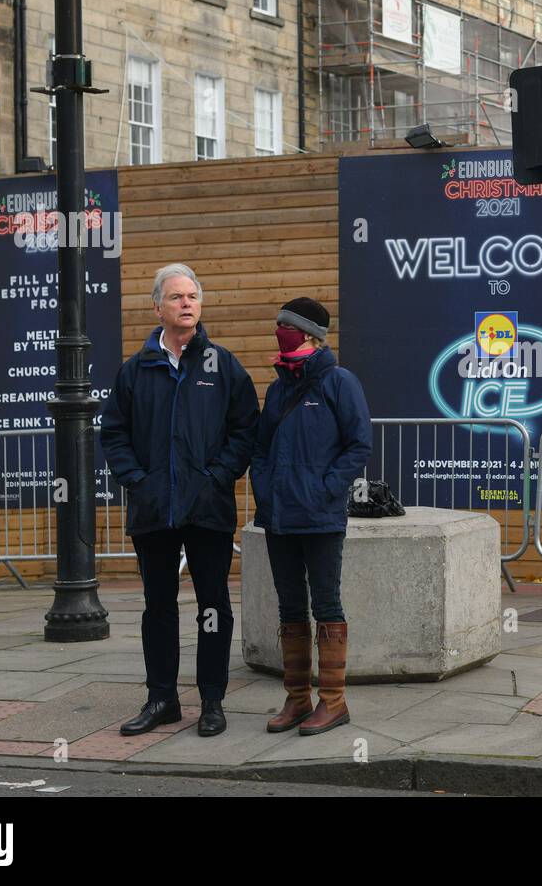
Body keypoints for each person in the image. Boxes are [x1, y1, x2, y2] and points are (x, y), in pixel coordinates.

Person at [100, 264, 259, 738]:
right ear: (157, 308)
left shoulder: (223, 366)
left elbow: (245, 427)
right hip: (155, 510)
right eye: (176, 297)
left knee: (212, 605)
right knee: (158, 607)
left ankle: (212, 700)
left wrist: (218, 475)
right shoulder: (135, 371)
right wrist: (137, 480)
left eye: (193, 296)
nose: (187, 303)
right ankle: (162, 699)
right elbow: (113, 432)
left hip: (207, 508)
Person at [252, 298, 372, 736]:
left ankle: (334, 702)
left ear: (307, 334)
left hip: (320, 518)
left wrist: (325, 489)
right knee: (289, 607)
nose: (277, 328)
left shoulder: (339, 382)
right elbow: (261, 448)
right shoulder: (279, 387)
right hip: (280, 518)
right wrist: (263, 490)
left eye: (284, 324)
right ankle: (298, 699)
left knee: (326, 604)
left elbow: (359, 444)